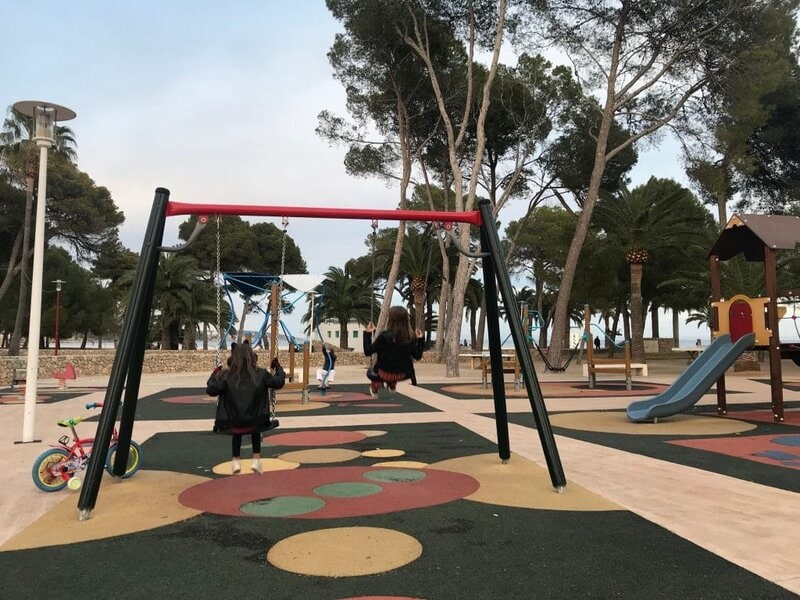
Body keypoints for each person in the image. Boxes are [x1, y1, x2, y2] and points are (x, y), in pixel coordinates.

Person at [206, 343, 285, 475]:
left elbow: (211, 390)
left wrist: (215, 374)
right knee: (256, 426)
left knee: (237, 429)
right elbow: (278, 382)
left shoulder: (225, 376)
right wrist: (278, 368)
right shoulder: (261, 374)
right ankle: (256, 459)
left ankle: (236, 461)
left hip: (233, 423)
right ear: (251, 356)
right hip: (256, 423)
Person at [363, 306, 424, 398]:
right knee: (395, 364)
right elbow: (418, 356)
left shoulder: (384, 336)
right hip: (403, 374)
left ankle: (376, 387)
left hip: (384, 374)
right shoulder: (410, 337)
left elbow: (368, 352)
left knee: (372, 371)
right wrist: (420, 339)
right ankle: (392, 384)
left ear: (390, 319)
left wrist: (368, 334)